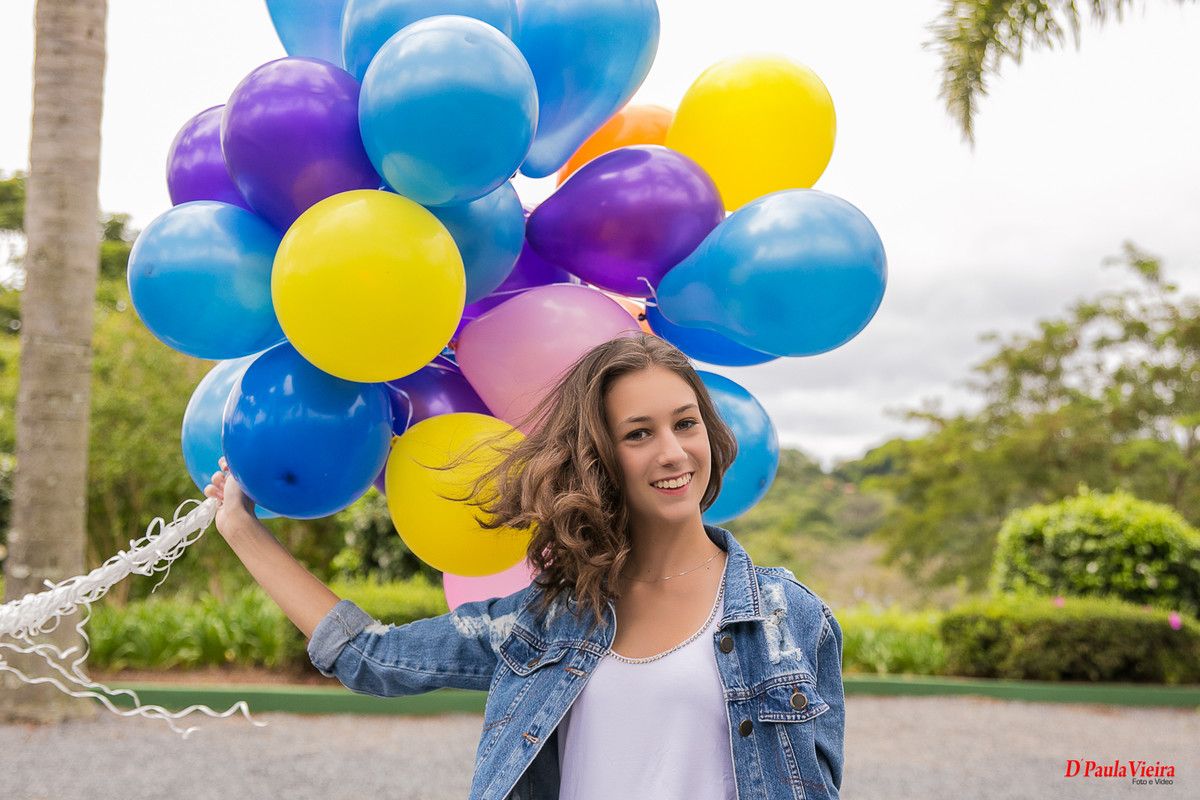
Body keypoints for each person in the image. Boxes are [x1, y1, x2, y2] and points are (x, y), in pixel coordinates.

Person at [205, 333, 845, 800]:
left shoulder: (791, 620)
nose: (674, 452)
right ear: (599, 457)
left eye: (686, 424)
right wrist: (240, 529)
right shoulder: (549, 621)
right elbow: (372, 656)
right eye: (639, 433)